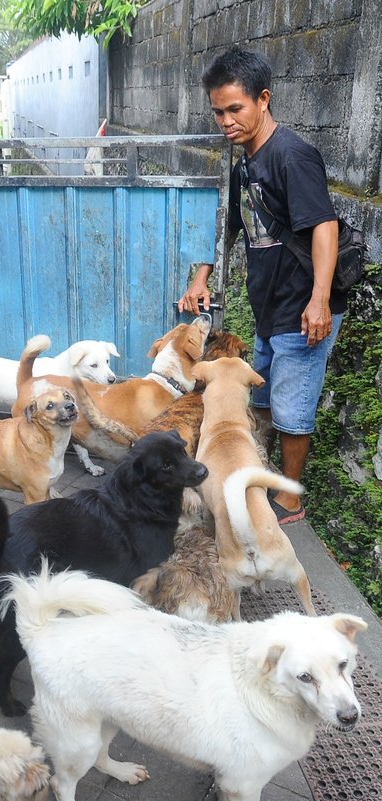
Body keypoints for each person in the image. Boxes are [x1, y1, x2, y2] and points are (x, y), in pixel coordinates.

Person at [178, 47, 345, 525]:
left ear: (263, 99)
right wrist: (201, 276)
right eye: (218, 111)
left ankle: (289, 501)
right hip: (270, 307)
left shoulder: (293, 156)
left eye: (235, 109)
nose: (225, 120)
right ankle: (261, 473)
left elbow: (324, 227)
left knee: (292, 408)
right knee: (265, 397)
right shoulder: (244, 165)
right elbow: (228, 229)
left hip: (302, 308)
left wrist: (318, 301)